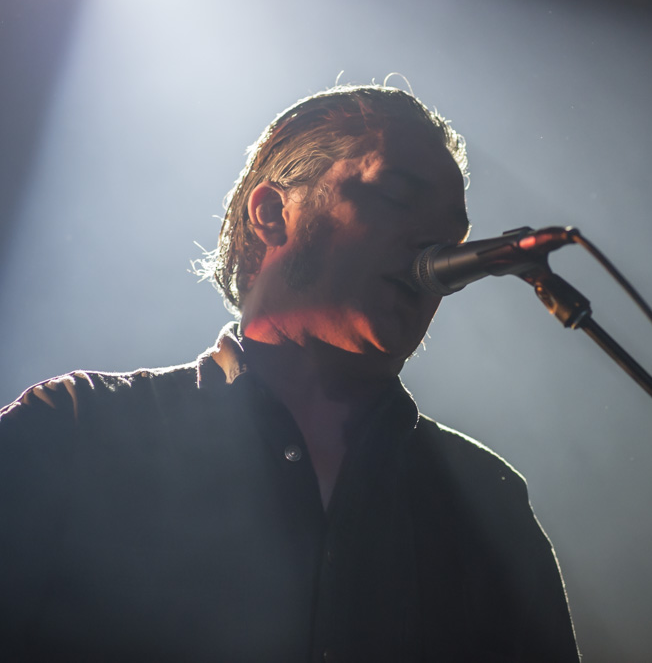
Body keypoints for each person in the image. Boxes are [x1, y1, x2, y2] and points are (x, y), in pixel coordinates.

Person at [0, 85, 579, 661]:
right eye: (398, 193)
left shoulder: (486, 501)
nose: (434, 246)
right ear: (273, 213)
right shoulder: (77, 429)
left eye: (451, 236)